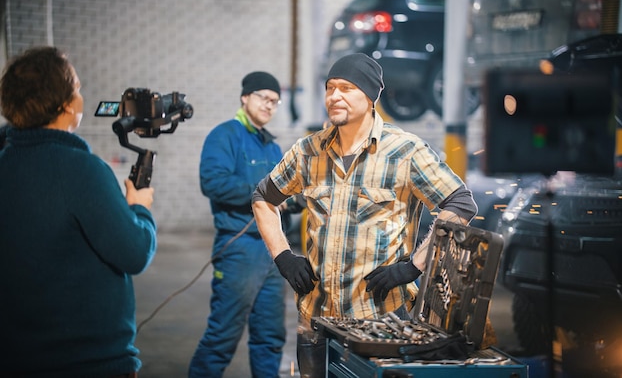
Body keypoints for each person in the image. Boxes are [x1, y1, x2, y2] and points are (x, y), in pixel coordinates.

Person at [252, 53, 478, 378]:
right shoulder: (308, 151)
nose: (334, 96)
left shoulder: (405, 151)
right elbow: (263, 198)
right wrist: (283, 256)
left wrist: (415, 265)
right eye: (330, 88)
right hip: (316, 319)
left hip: (380, 323)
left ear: (371, 96)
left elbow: (460, 204)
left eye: (346, 88)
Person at [0, 46, 157, 377]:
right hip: (87, 361)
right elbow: (134, 252)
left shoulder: (6, 161)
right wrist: (139, 209)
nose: (81, 97)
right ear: (66, 105)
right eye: (78, 88)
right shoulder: (82, 170)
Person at [189, 71, 289, 378]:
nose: (269, 105)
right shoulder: (225, 135)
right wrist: (264, 192)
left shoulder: (272, 147)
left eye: (274, 101)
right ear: (245, 97)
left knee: (270, 336)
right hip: (239, 247)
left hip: (273, 251)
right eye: (263, 97)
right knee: (223, 336)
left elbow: (283, 192)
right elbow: (213, 182)